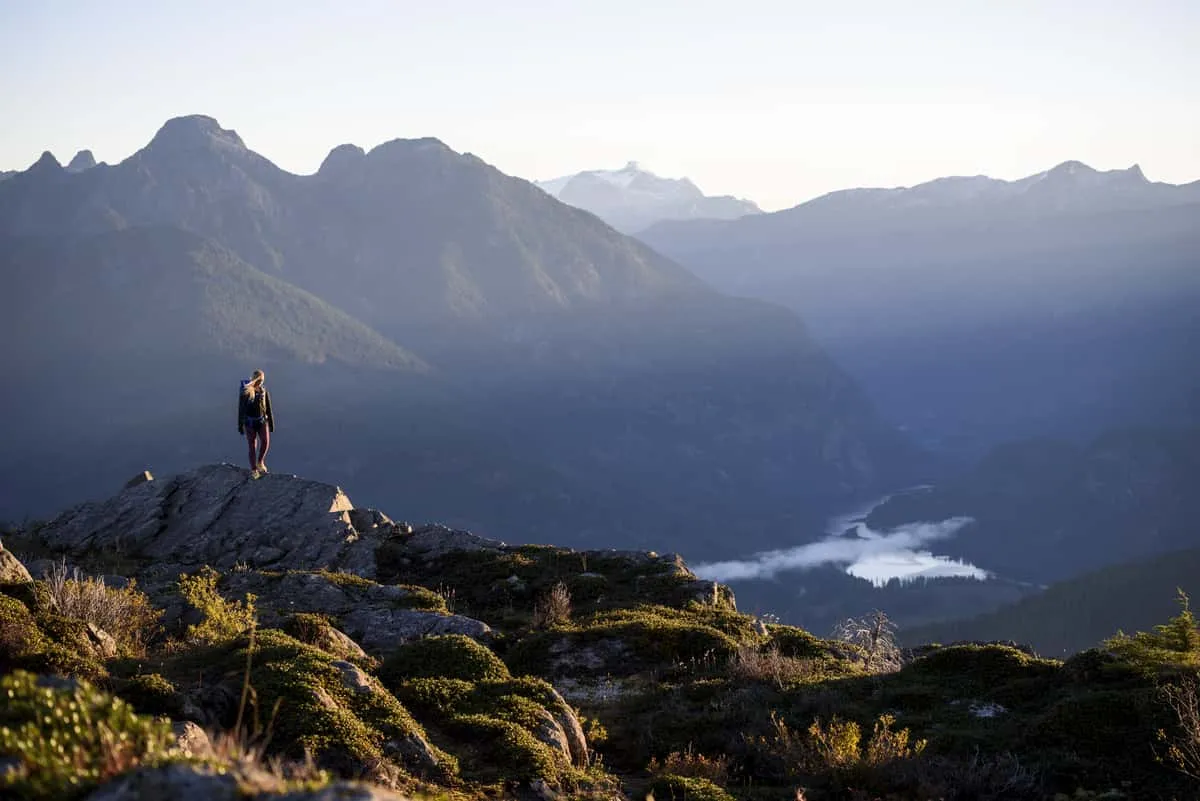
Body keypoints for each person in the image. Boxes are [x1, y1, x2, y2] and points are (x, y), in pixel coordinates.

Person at [237, 369, 274, 477]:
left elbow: (268, 408)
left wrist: (271, 423)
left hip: (262, 421)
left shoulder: (263, 391)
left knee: (265, 442)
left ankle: (260, 462)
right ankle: (254, 470)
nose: (261, 383)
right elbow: (241, 409)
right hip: (250, 423)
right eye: (260, 380)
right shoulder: (246, 392)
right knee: (252, 446)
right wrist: (240, 425)